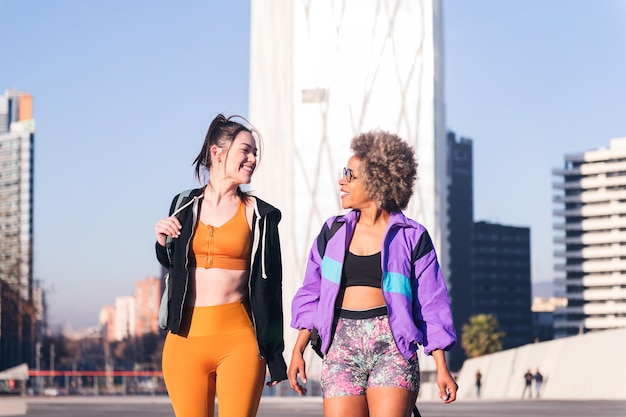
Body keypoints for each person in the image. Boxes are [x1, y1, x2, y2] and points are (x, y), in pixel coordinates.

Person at [288, 130, 458, 417]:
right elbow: (312, 294)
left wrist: (442, 367)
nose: (342, 180)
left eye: (350, 174)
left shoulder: (412, 236)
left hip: (392, 347)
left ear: (378, 180)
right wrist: (298, 350)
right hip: (340, 349)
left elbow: (433, 303)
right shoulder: (332, 232)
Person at [154, 114, 287, 417]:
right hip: (183, 342)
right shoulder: (183, 204)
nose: (253, 159)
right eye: (246, 150)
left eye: (255, 153)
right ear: (217, 152)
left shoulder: (261, 215)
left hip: (240, 343)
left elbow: (271, 289)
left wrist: (275, 354)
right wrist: (162, 242)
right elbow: (172, 267)